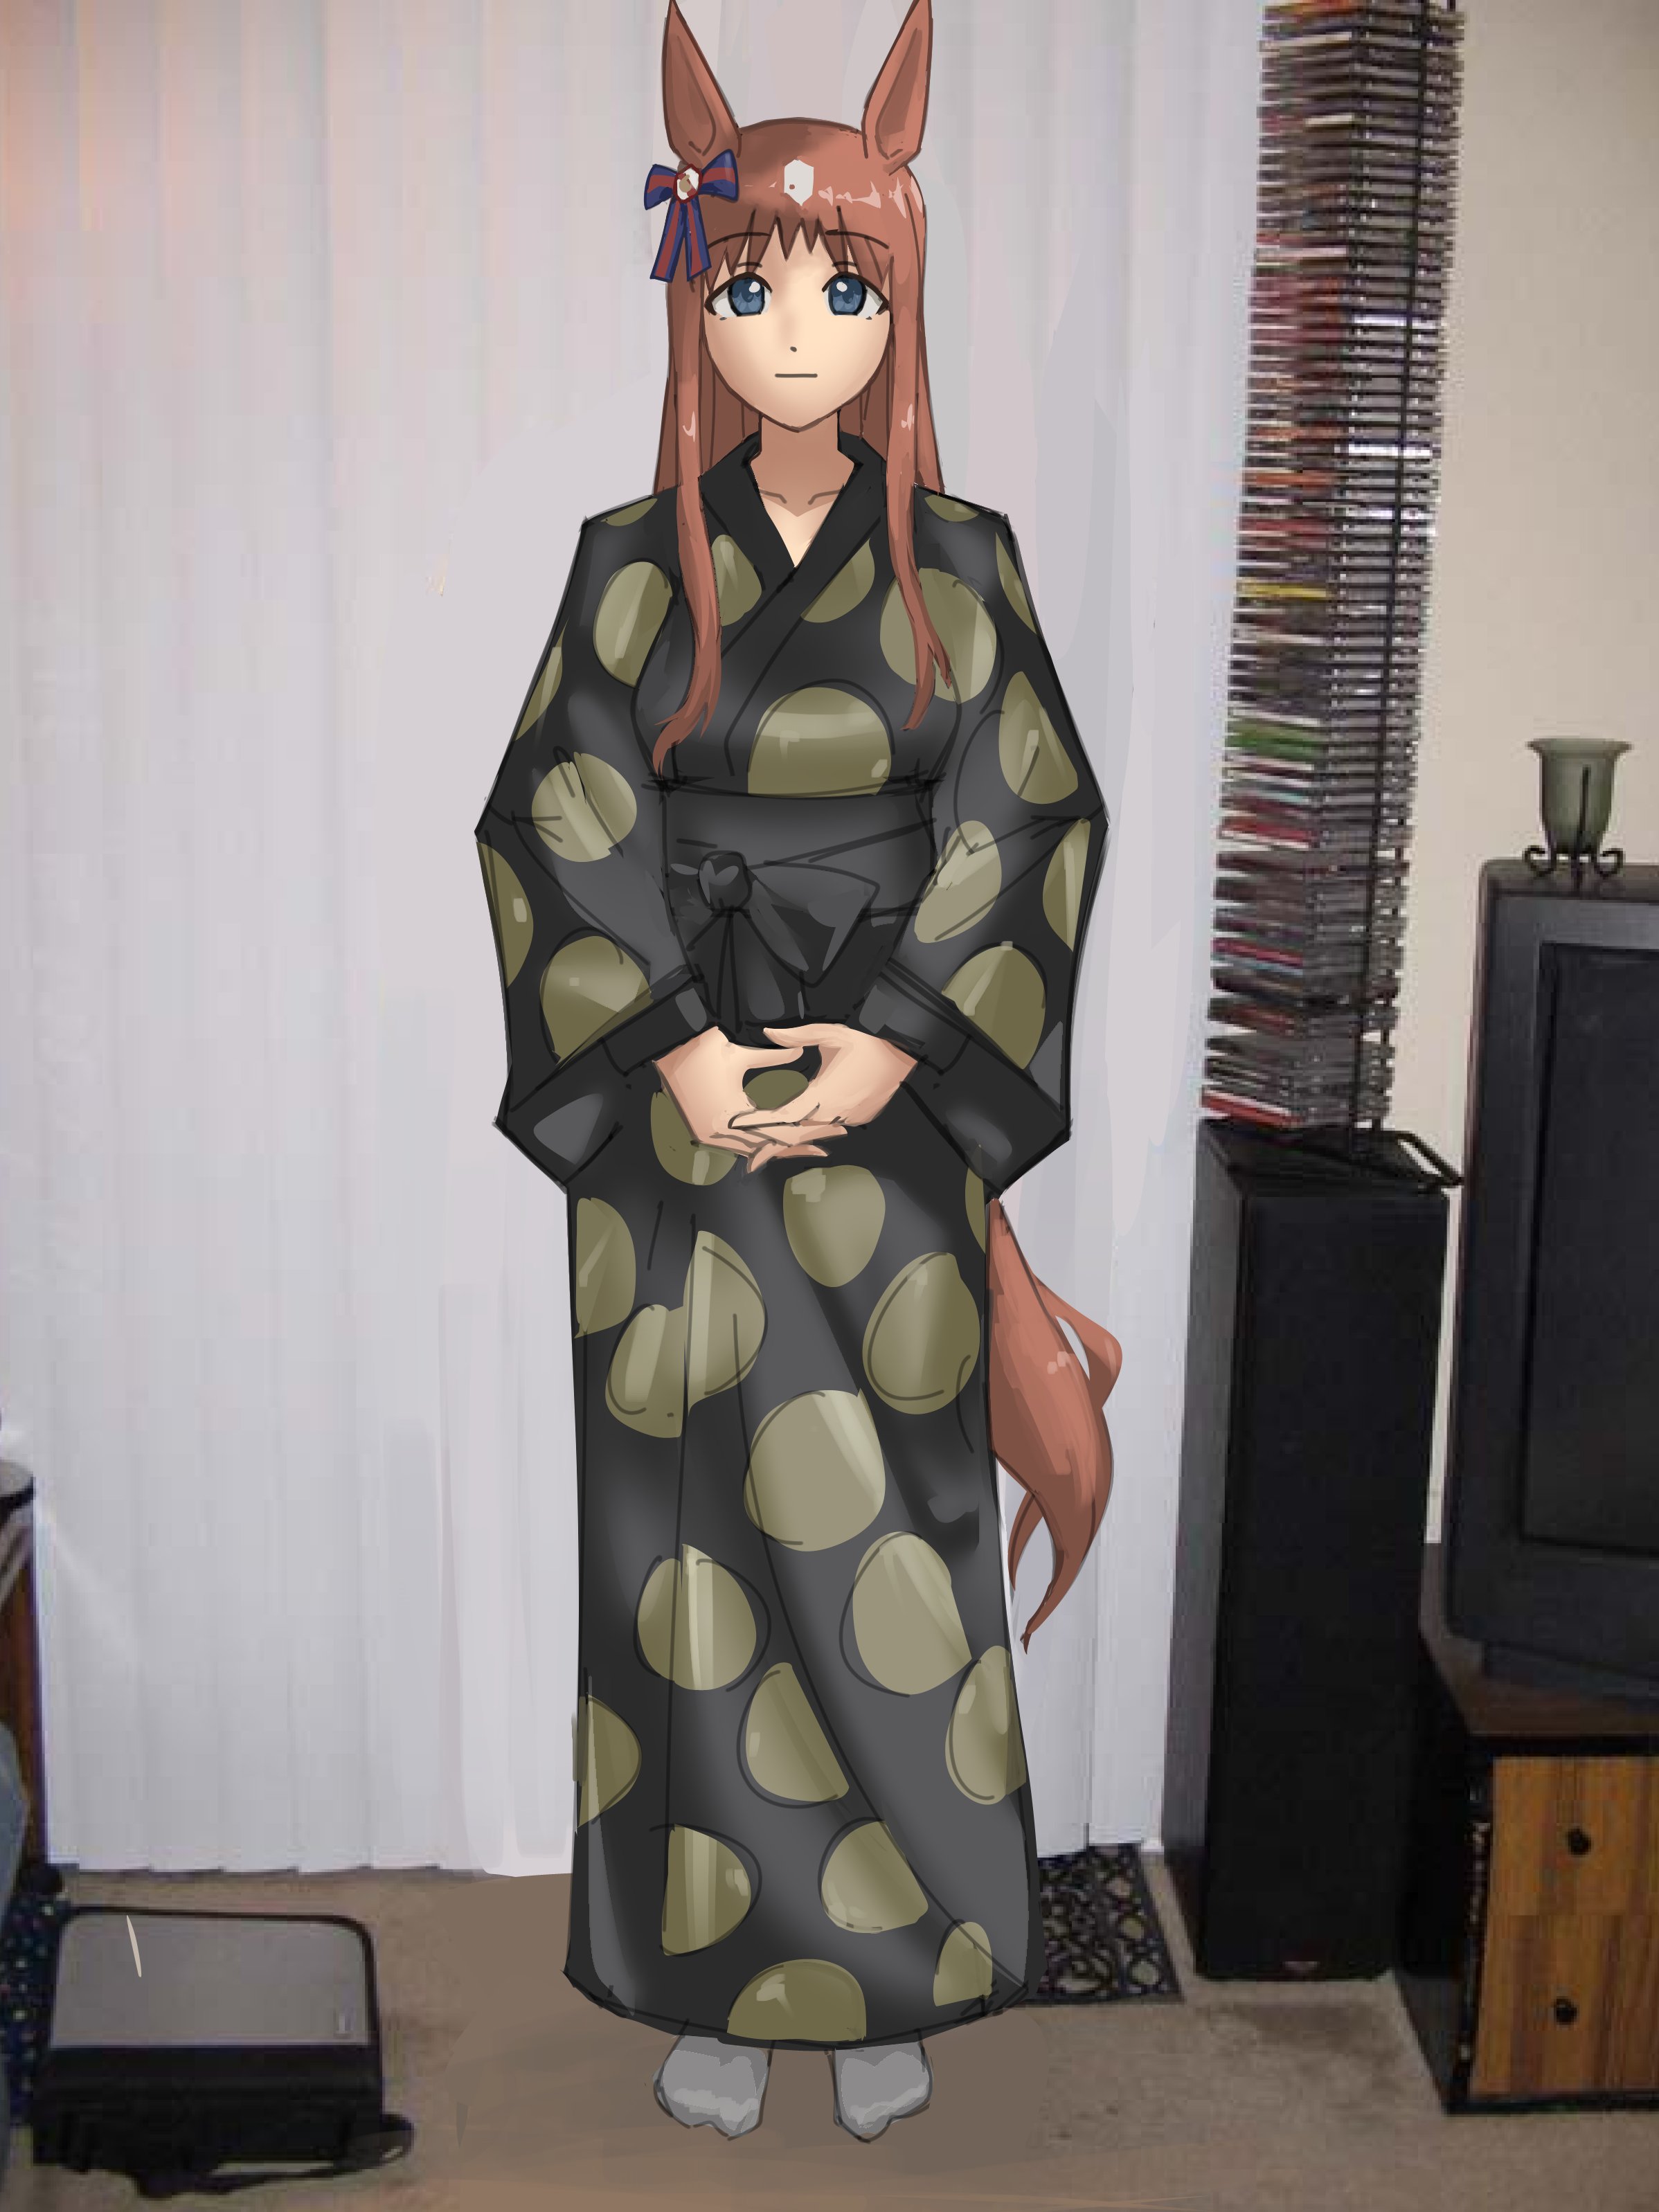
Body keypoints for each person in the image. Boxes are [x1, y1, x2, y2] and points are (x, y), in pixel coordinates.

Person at [474, 0, 1122, 2147]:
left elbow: (1028, 813)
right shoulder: (625, 563)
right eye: (749, 288)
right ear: (695, 302)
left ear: (895, 305)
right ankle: (712, 1985)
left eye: (842, 291)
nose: (794, 333)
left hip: (890, 1100)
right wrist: (669, 1044)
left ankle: (888, 1975)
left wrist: (896, 1035)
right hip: (676, 1115)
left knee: (889, 1537)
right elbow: (554, 811)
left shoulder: (967, 563)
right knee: (682, 1556)